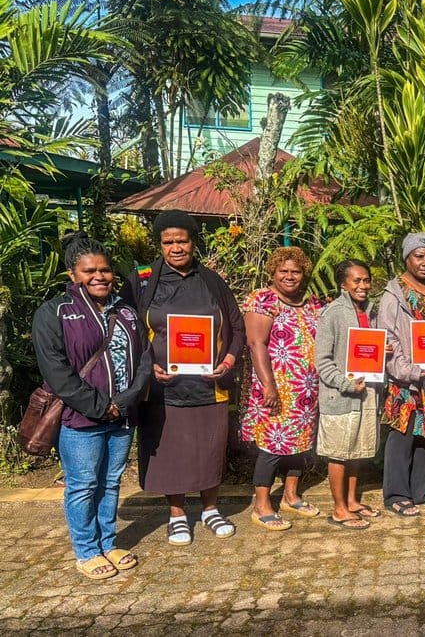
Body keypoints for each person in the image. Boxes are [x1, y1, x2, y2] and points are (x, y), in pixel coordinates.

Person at [121, 209, 246, 546]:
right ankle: (176, 514)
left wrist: (230, 358)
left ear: (193, 243)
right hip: (161, 387)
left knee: (210, 446)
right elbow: (124, 329)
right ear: (160, 245)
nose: (176, 247)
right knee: (170, 451)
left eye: (182, 240)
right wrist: (147, 365)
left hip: (210, 384)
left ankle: (210, 508)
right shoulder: (143, 281)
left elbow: (236, 326)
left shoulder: (211, 280)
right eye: (168, 242)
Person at [33, 233, 151, 580]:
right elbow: (57, 372)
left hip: (122, 416)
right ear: (73, 274)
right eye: (89, 271)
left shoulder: (126, 310)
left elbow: (145, 358)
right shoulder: (55, 312)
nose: (99, 276)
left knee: (111, 481)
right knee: (83, 483)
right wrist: (102, 406)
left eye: (104, 270)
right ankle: (86, 551)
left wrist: (127, 400)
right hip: (78, 418)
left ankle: (108, 541)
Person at [240, 247, 324, 531]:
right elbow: (256, 344)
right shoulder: (263, 300)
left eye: (296, 271)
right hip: (276, 387)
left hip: (306, 390)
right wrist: (269, 386)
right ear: (273, 273)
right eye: (283, 271)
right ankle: (261, 504)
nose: (290, 276)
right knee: (271, 447)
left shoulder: (310, 303)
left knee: (300, 446)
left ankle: (290, 496)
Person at [379, 233, 425, 516]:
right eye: (418, 256)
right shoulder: (393, 294)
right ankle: (396, 494)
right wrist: (408, 371)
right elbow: (389, 339)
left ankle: (421, 491)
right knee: (403, 434)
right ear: (406, 258)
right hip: (408, 379)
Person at [315, 259, 385, 530]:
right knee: (339, 453)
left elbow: (371, 349)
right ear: (343, 284)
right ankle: (339, 508)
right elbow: (322, 360)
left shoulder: (370, 311)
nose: (363, 285)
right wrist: (345, 383)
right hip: (341, 396)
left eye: (366, 280)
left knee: (358, 450)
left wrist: (384, 352)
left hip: (367, 393)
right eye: (356, 280)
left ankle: (353, 501)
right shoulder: (332, 313)